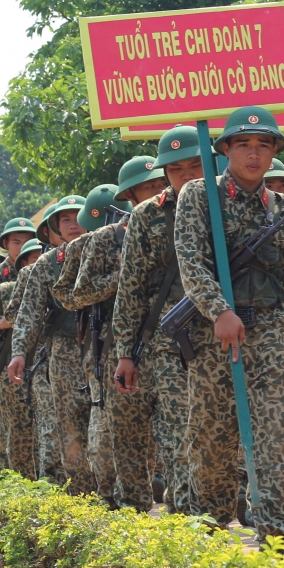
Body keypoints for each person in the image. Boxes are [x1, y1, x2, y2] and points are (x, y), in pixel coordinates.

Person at [174, 107, 284, 543]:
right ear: (226, 149)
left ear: (274, 153)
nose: (254, 153)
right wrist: (219, 310)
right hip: (215, 336)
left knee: (274, 438)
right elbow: (191, 261)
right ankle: (210, 529)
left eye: (264, 145)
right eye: (244, 144)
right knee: (212, 442)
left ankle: (276, 536)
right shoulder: (199, 196)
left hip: (271, 331)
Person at [114, 131, 206, 515]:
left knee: (218, 427)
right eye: (176, 169)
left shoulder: (229, 205)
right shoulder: (146, 214)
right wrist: (125, 353)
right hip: (171, 340)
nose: (186, 175)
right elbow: (131, 288)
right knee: (178, 430)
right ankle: (188, 511)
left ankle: (216, 502)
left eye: (195, 165)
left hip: (228, 334)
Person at [70, 156, 165, 511]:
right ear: (130, 194)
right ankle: (130, 501)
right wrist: (123, 276)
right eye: (148, 186)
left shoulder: (182, 224)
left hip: (174, 340)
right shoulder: (106, 239)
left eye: (160, 183)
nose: (157, 190)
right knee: (127, 432)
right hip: (121, 345)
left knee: (175, 426)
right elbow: (80, 293)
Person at [53, 184, 132, 507]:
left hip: (139, 341)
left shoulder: (143, 233)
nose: (73, 224)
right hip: (94, 345)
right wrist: (120, 278)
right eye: (65, 219)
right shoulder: (78, 250)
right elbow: (69, 294)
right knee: (85, 424)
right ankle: (93, 493)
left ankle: (128, 489)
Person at [9, 196, 93, 494]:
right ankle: (81, 495)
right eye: (66, 219)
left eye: (79, 216)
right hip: (65, 352)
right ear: (54, 228)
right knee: (69, 429)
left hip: (105, 348)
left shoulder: (107, 249)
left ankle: (112, 494)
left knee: (107, 427)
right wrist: (19, 351)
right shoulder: (46, 265)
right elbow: (28, 313)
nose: (74, 224)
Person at [0, 239, 40, 478]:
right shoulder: (3, 291)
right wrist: (1, 325)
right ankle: (17, 483)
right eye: (33, 260)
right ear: (22, 265)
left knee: (44, 431)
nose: (39, 265)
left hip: (44, 367)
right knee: (14, 433)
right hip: (11, 372)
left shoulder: (57, 285)